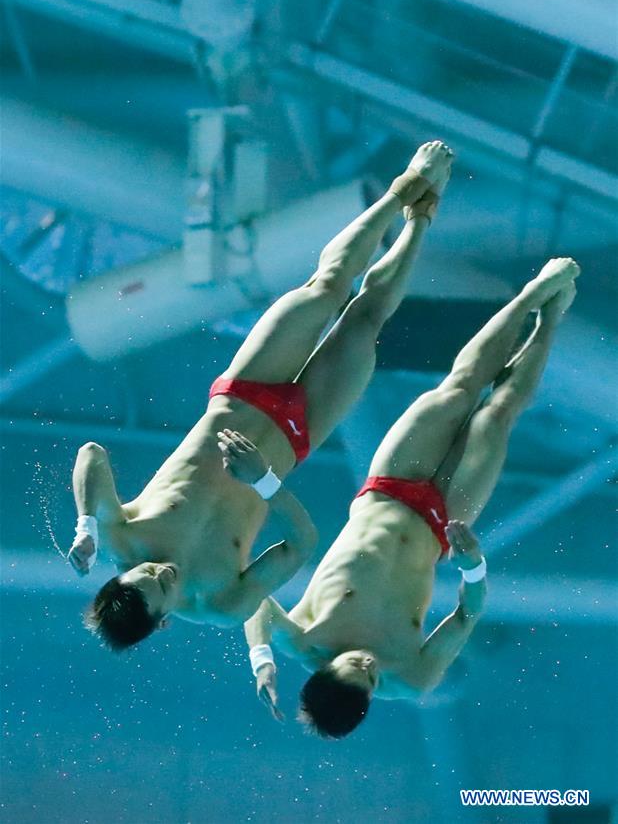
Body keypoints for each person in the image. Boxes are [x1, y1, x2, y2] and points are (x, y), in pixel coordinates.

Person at [67, 141, 454, 650]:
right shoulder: (222, 601)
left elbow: (91, 454)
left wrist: (85, 523)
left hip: (244, 391)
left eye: (146, 572)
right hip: (297, 436)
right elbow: (303, 543)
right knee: (365, 321)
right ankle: (421, 218)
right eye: (164, 584)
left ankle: (399, 192)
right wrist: (264, 483)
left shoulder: (122, 538)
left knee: (326, 288)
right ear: (165, 619)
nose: (161, 569)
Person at [240, 257, 580, 738]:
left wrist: (262, 661)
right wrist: (473, 566)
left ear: (324, 671)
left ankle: (530, 296)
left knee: (460, 388)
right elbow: (467, 614)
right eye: (372, 675)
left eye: (354, 665)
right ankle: (550, 319)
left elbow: (256, 606)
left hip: (389, 486)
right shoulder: (414, 676)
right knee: (497, 415)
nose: (369, 663)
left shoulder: (304, 638)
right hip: (445, 521)